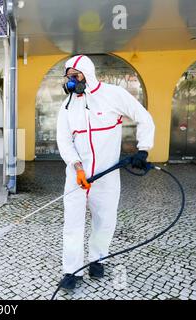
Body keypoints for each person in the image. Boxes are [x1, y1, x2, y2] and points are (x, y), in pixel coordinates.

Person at [56, 55, 155, 290]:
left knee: (105, 220)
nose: (70, 81)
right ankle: (72, 271)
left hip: (107, 175)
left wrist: (143, 149)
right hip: (77, 176)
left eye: (74, 76)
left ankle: (97, 259)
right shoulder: (67, 105)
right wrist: (76, 166)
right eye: (68, 76)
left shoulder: (113, 95)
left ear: (87, 75)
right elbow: (63, 140)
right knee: (72, 223)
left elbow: (144, 117)